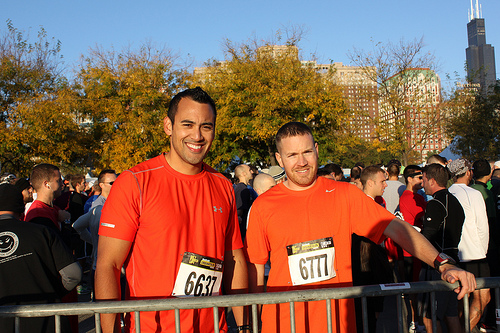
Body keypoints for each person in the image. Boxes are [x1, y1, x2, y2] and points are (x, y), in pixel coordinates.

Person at [245, 122, 476, 333]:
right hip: (284, 324)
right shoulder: (263, 206)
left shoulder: (344, 194)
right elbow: (255, 269)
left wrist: (442, 263)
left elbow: (395, 228)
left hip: (338, 322)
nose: (302, 161)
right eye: (292, 155)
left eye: (306, 151)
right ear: (279, 158)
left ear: (316, 149)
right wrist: (252, 325)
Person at [95, 87, 248, 333]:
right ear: (168, 126)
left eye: (206, 127)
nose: (197, 136)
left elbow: (235, 260)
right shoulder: (134, 182)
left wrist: (244, 326)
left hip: (212, 328)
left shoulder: (223, 185)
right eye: (187, 125)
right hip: (151, 328)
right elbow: (108, 265)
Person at [0, 183, 81, 333]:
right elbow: (73, 274)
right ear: (21, 209)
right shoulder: (42, 232)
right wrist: (51, 293)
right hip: (49, 319)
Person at [419, 163, 465, 333]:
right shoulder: (454, 201)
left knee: (429, 316)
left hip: (439, 265)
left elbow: (428, 237)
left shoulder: (436, 203)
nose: (422, 185)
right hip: (453, 261)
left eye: (423, 180)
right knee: (450, 314)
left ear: (431, 181)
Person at [448, 158, 490, 331]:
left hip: (454, 255)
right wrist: (483, 251)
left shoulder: (448, 192)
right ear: (468, 173)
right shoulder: (474, 194)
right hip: (475, 254)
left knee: (461, 299)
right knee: (482, 298)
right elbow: (482, 226)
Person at [73, 170, 117, 283]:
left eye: (117, 182)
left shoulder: (113, 202)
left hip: (112, 264)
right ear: (101, 185)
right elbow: (77, 226)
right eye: (112, 183)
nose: (116, 185)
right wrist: (92, 240)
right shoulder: (98, 207)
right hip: (103, 265)